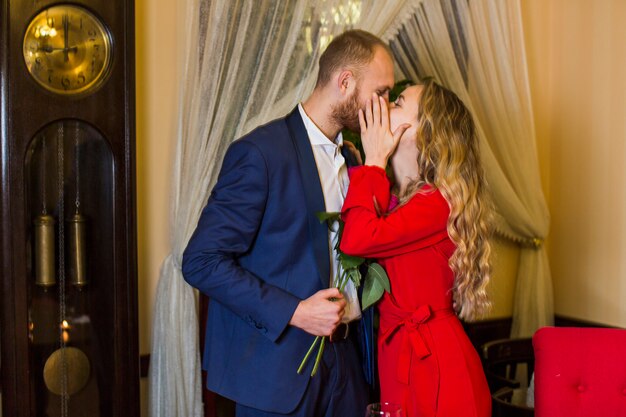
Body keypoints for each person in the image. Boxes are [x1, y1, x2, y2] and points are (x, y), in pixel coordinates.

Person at [182, 30, 396, 417]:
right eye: (380, 92)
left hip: (346, 371)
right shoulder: (260, 153)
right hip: (276, 375)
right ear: (345, 82)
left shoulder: (356, 163)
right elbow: (201, 261)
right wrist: (295, 312)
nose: (385, 106)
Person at [340, 79, 492, 417]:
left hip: (436, 363)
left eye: (398, 103)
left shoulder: (437, 203)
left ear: (424, 131)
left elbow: (356, 240)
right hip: (400, 351)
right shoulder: (398, 200)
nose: (385, 107)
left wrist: (376, 159)